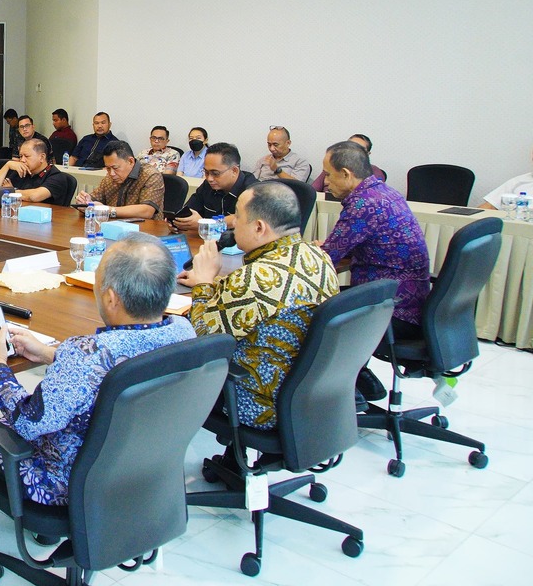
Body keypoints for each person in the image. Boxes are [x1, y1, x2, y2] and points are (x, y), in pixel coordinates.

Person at [0, 236, 195, 583]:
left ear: (110, 296)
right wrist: (52, 354)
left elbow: (27, 423)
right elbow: (119, 368)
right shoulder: (183, 332)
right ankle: (41, 536)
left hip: (66, 486)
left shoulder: (86, 355)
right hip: (144, 477)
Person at [179, 181, 339, 430]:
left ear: (259, 227)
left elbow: (199, 339)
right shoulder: (318, 256)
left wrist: (203, 284)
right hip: (309, 394)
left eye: (238, 218)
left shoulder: (253, 278)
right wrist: (219, 283)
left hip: (257, 400)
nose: (232, 224)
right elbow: (272, 295)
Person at [318, 141, 430, 338]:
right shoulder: (384, 191)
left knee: (316, 312)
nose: (325, 181)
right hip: (408, 301)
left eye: (328, 174)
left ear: (346, 173)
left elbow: (325, 258)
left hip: (392, 308)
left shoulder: (363, 204)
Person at [174, 142, 258, 231]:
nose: (209, 178)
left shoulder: (253, 190)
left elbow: (242, 218)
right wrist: (179, 222)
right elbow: (191, 210)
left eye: (215, 173)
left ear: (234, 171)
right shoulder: (208, 185)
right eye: (206, 172)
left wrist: (205, 224)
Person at [75, 140, 165, 220]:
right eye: (108, 168)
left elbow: (147, 211)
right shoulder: (109, 178)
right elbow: (95, 200)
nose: (112, 173)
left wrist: (108, 210)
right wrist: (86, 202)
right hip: (114, 229)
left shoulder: (151, 175)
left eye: (115, 168)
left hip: (147, 232)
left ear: (130, 161)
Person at [0, 138, 75, 205]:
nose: (22, 160)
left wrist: (10, 191)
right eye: (21, 156)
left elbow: (34, 196)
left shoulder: (57, 177)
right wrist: (7, 165)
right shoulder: (21, 171)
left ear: (42, 157)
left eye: (26, 156)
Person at [312, 134, 385, 192]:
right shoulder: (333, 167)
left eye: (358, 150)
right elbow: (312, 190)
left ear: (367, 154)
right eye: (349, 147)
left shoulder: (375, 173)